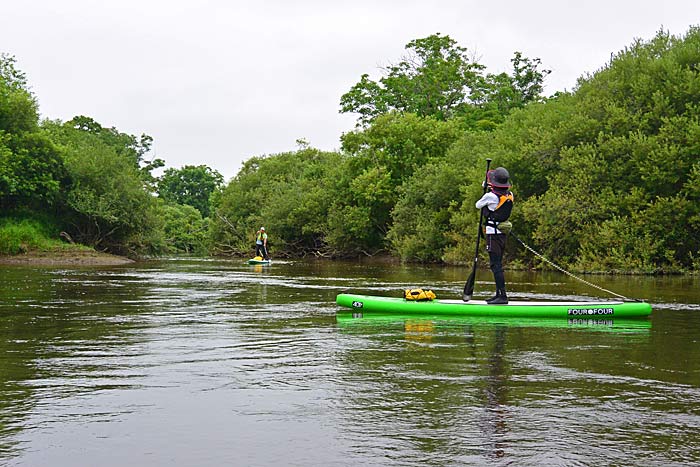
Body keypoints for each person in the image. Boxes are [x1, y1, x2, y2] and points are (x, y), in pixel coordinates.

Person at [475, 167, 513, 304]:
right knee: (498, 265)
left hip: (493, 236)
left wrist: (485, 189)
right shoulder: (510, 195)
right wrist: (489, 187)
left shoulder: (490, 196)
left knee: (495, 265)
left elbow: (478, 205)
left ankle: (502, 297)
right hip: (502, 235)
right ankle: (499, 294)